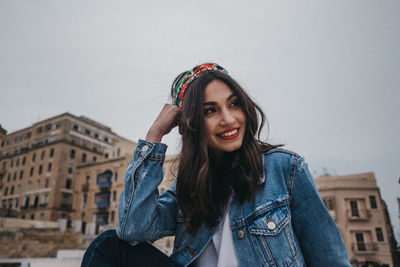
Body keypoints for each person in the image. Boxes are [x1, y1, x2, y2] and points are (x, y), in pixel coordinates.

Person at [82, 63, 351, 267]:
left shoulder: (286, 169)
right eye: (210, 110)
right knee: (108, 246)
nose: (228, 119)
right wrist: (154, 135)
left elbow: (331, 260)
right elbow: (132, 230)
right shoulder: (187, 188)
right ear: (192, 124)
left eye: (233, 104)